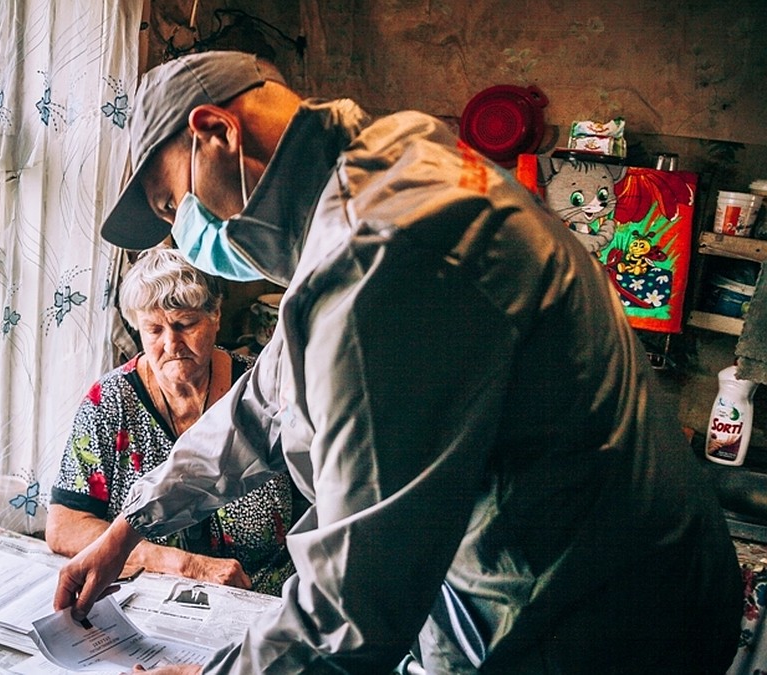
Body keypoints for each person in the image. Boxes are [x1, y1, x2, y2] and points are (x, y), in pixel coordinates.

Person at [53, 50, 743, 674]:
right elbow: (259, 406)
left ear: (218, 134)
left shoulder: (381, 254)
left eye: (174, 202)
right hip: (619, 577)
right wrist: (131, 525)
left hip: (597, 624)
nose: (183, 232)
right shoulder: (383, 166)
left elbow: (356, 606)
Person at [46, 246, 300, 596]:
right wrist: (180, 564)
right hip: (156, 603)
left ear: (216, 316)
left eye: (185, 324)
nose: (171, 343)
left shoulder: (261, 391)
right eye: (154, 330)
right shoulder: (109, 402)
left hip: (265, 600)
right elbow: (64, 528)